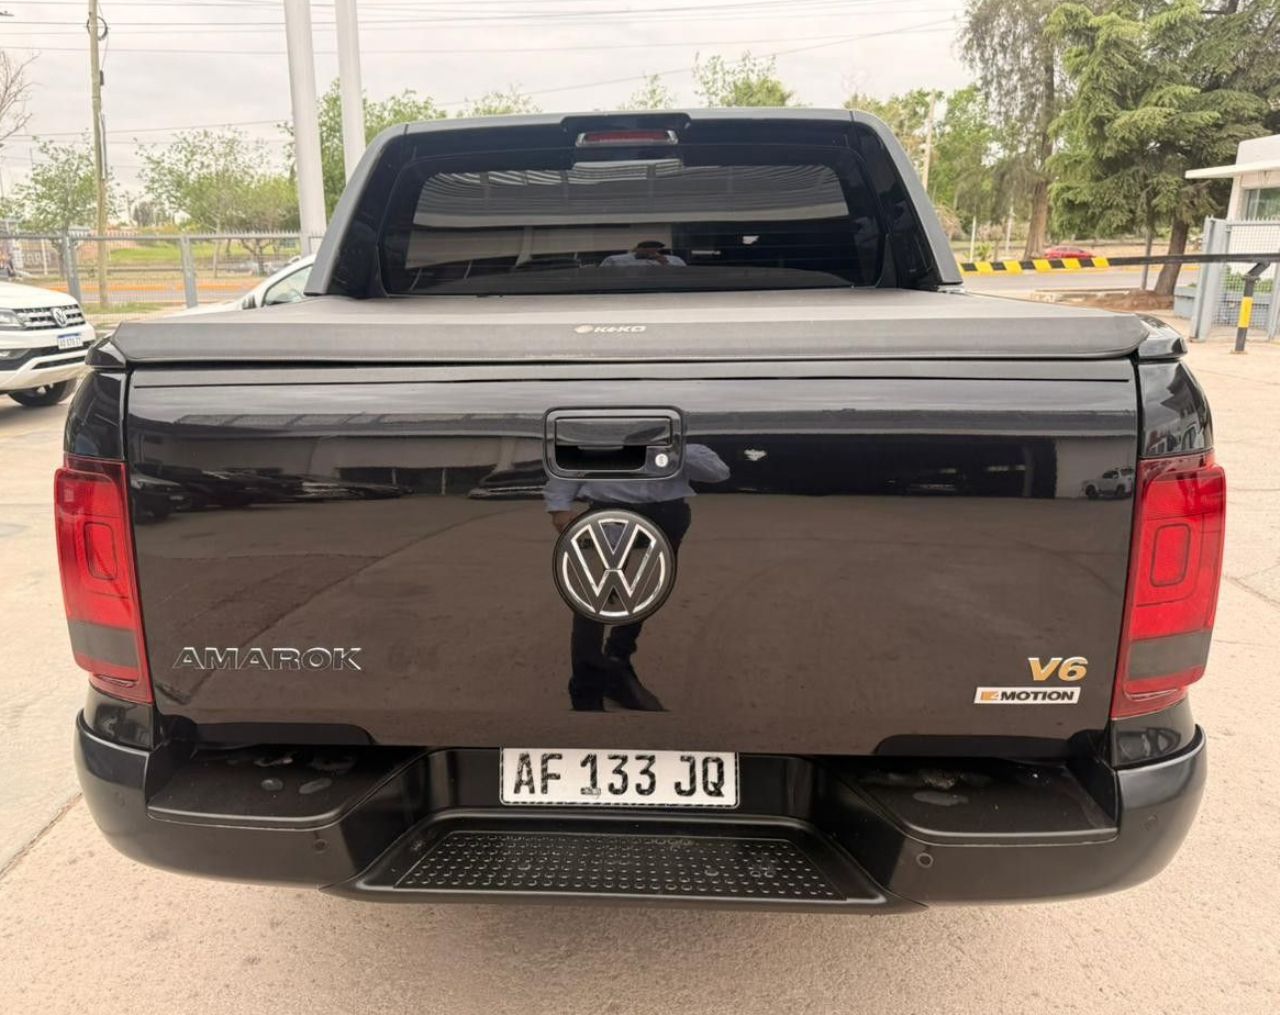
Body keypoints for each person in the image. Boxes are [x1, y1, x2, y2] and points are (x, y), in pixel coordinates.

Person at [545, 444, 728, 711]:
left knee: (648, 591)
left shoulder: (683, 445)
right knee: (592, 598)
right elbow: (566, 469)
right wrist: (559, 507)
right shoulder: (597, 442)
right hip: (608, 513)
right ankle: (586, 686)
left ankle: (618, 663)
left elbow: (718, 473)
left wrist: (675, 450)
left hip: (668, 515)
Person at [600, 240, 686, 268]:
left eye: (655, 249)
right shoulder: (615, 260)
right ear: (637, 249)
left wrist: (665, 263)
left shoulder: (674, 259)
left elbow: (683, 275)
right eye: (646, 248)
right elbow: (603, 275)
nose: (651, 251)